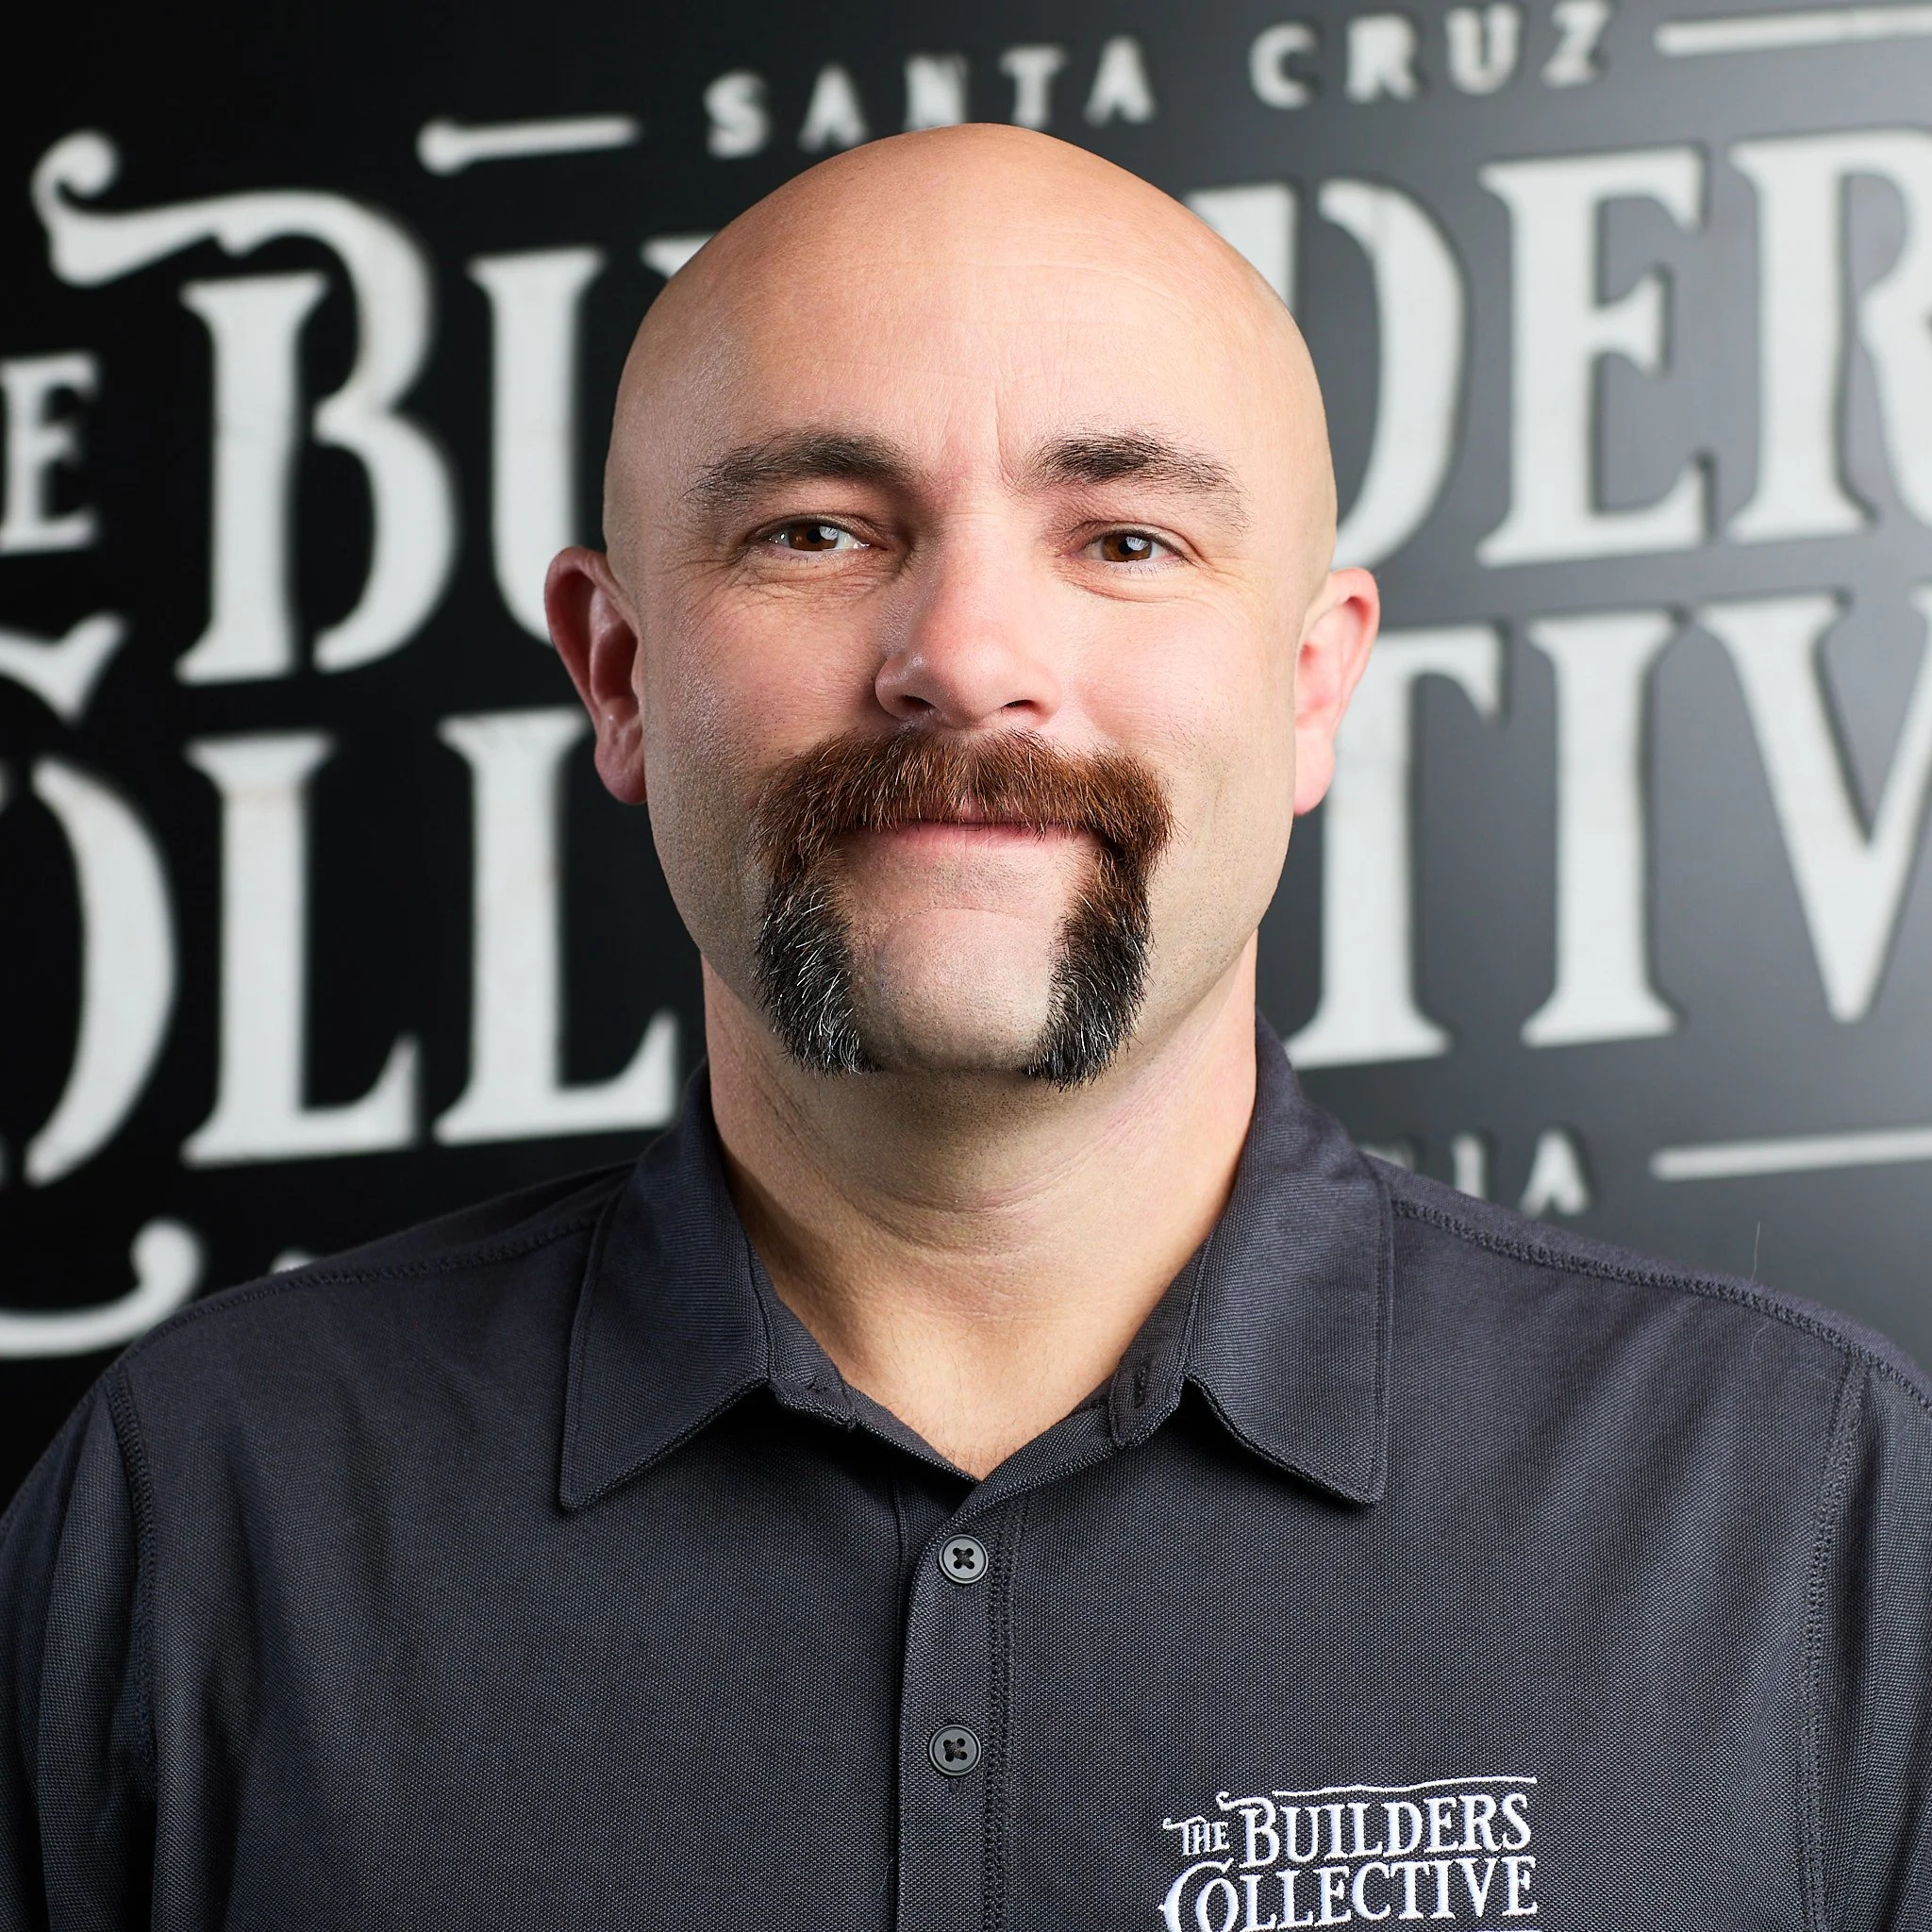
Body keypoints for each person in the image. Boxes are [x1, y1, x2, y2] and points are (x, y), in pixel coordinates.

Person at [2, 125, 1926, 1931]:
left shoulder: (1810, 1510)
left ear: (1312, 681)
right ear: (616, 670)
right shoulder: (198, 1510)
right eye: (820, 532)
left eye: (1124, 540)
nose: (968, 659)